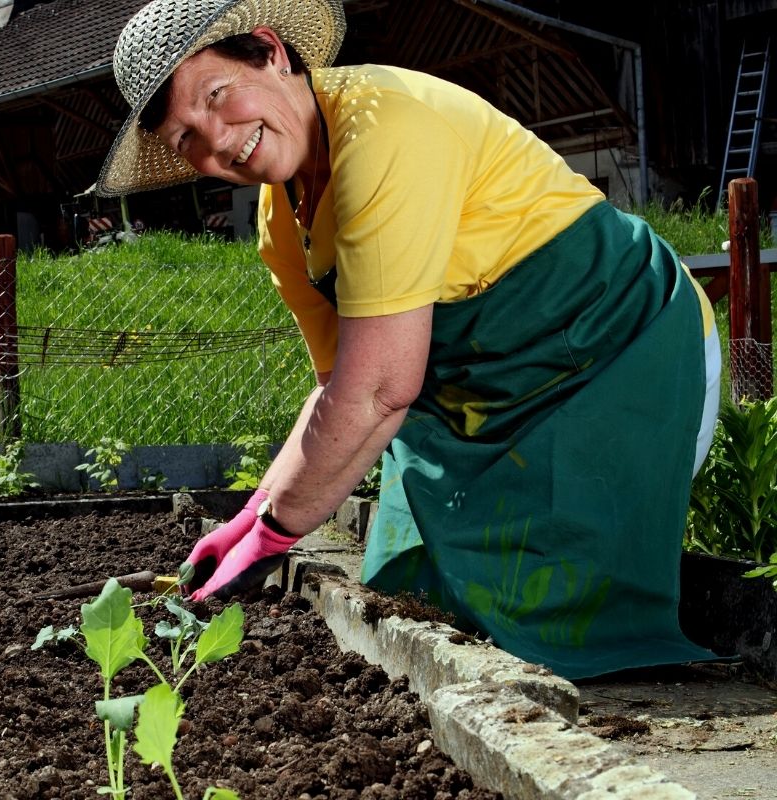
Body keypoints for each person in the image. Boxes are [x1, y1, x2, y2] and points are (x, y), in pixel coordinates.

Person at [96, 0, 721, 680]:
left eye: (216, 95)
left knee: (554, 616)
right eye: (187, 137)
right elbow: (339, 386)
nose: (217, 139)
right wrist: (252, 517)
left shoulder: (384, 128)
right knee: (412, 583)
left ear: (273, 52)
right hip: (486, 400)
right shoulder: (282, 219)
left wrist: (279, 533)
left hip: (615, 354)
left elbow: (380, 391)